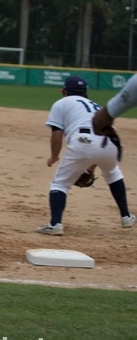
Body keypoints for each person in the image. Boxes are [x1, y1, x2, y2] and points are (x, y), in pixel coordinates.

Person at [37, 76, 134, 236]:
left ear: (64, 91)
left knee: (60, 184)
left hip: (83, 140)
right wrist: (89, 169)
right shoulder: (96, 106)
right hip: (111, 141)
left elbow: (57, 134)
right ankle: (126, 217)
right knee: (113, 174)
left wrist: (54, 157)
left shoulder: (61, 103)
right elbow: (98, 147)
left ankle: (55, 224)